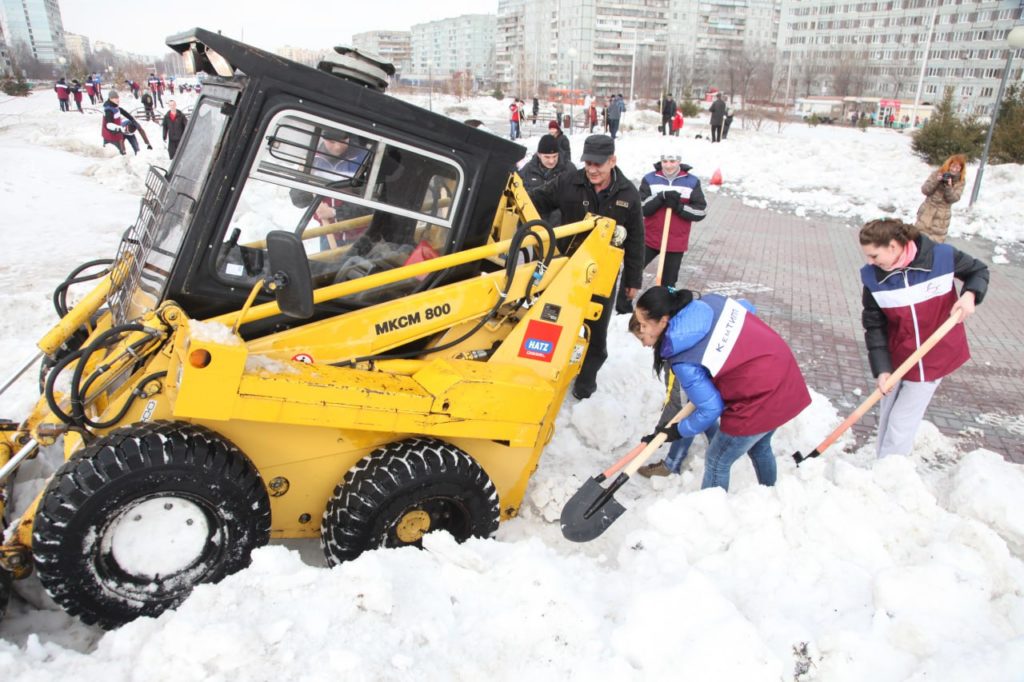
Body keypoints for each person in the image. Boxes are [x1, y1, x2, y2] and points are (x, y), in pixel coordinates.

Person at [633, 286, 811, 491]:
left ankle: (711, 515)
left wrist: (677, 431)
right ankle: (770, 495)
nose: (642, 329)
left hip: (759, 398)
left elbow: (711, 409)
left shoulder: (684, 359)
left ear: (663, 320)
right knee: (760, 446)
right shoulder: (712, 302)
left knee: (717, 459)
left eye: (644, 324)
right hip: (785, 374)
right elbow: (747, 308)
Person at [858, 219, 988, 458]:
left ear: (894, 246)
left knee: (901, 422)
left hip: (933, 356)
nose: (870, 261)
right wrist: (882, 369)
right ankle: (885, 467)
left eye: (874, 255)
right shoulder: (873, 278)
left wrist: (970, 295)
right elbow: (874, 325)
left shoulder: (941, 257)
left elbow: (978, 270)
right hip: (897, 356)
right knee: (887, 417)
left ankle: (890, 476)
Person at [528, 135, 645, 400]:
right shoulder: (569, 181)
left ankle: (585, 386)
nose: (592, 169)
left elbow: (637, 239)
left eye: (599, 164)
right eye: (588, 163)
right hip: (566, 268)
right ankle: (540, 372)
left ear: (612, 161)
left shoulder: (627, 194)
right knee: (549, 320)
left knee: (595, 329)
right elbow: (537, 200)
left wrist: (632, 280)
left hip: (602, 276)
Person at [626, 313, 719, 478]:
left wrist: (659, 434)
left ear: (654, 327)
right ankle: (719, 442)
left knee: (683, 419)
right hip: (710, 374)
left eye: (642, 338)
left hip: (712, 378)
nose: (644, 345)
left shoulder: (675, 353)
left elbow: (677, 402)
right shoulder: (677, 333)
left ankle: (671, 465)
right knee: (697, 408)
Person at [635, 152, 707, 291]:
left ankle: (664, 309)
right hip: (649, 238)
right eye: (665, 161)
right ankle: (623, 308)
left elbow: (701, 212)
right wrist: (660, 198)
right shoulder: (650, 179)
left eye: (672, 161)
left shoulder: (691, 182)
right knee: (632, 271)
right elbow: (641, 208)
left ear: (679, 161)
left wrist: (679, 207)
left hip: (675, 241)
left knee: (668, 283)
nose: (668, 165)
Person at [289, 129, 371, 248]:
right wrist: (303, 186)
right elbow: (298, 201)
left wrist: (334, 212)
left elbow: (370, 204)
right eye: (331, 142)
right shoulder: (312, 159)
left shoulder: (363, 158)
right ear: (323, 138)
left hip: (360, 236)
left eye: (343, 141)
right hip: (328, 233)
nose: (337, 147)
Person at [519, 133, 572, 225]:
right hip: (532, 223)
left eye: (555, 156)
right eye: (547, 157)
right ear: (539, 155)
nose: (551, 161)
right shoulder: (527, 171)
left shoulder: (568, 169)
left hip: (560, 226)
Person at [914, 154, 966, 243]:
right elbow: (925, 190)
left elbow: (954, 198)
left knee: (935, 244)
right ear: (948, 165)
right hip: (927, 211)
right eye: (953, 166)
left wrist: (949, 187)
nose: (954, 169)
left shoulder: (960, 182)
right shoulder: (937, 174)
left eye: (958, 168)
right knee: (918, 240)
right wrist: (936, 181)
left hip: (942, 217)